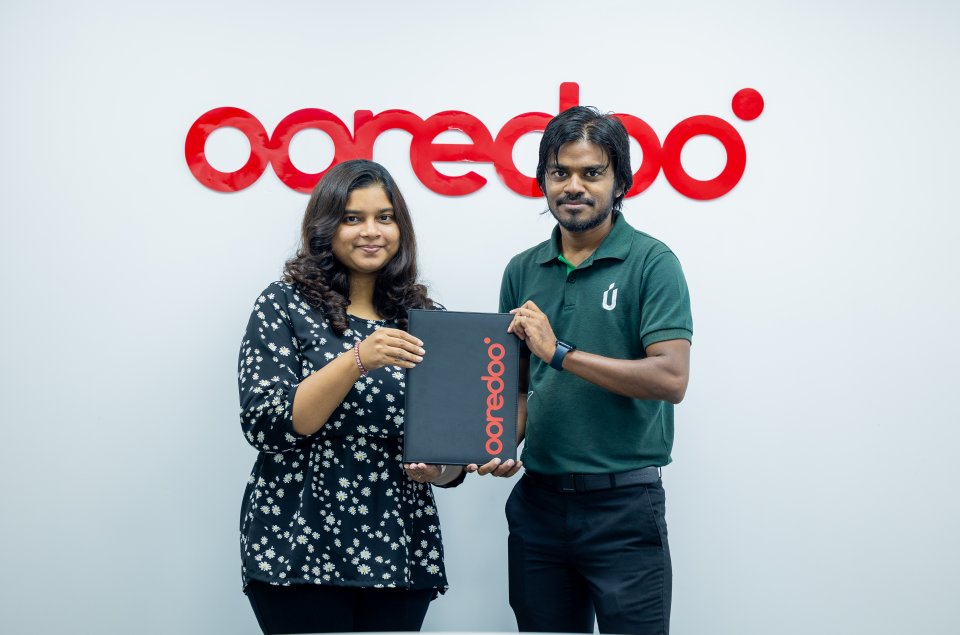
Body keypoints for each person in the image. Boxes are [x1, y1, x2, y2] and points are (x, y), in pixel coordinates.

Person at [474, 106, 693, 635]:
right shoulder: (522, 269)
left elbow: (670, 378)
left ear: (620, 181)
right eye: (560, 173)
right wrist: (488, 445)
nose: (573, 186)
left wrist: (561, 353)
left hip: (624, 508)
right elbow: (515, 389)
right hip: (539, 507)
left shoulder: (651, 262)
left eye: (591, 172)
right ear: (543, 181)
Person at [237, 159, 465, 634]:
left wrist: (440, 470)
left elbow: (450, 452)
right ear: (326, 227)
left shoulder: (426, 319)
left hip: (399, 542)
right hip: (299, 541)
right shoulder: (283, 304)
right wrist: (358, 358)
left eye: (385, 217)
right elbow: (268, 425)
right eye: (352, 218)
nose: (372, 232)